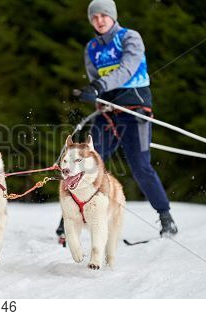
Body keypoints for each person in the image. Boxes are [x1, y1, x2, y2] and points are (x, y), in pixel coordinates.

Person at [56, 0, 177, 242]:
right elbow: (95, 80)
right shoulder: (91, 47)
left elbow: (127, 69)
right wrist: (95, 93)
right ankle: (68, 219)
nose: (99, 20)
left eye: (103, 16)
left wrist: (99, 86)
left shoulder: (130, 37)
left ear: (112, 16)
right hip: (108, 113)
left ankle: (166, 217)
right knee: (86, 163)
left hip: (135, 110)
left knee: (140, 166)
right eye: (94, 17)